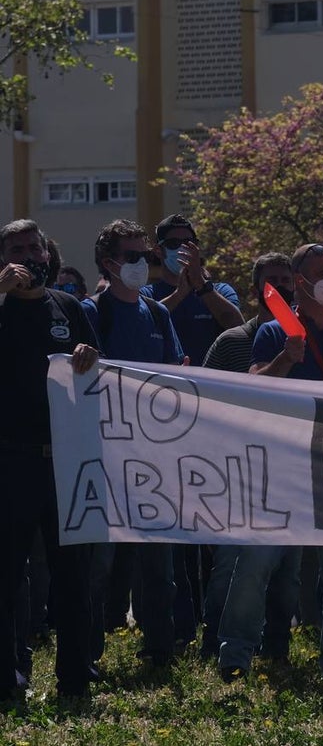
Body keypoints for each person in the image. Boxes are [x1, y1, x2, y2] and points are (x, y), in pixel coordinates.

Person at [216, 243, 323, 686]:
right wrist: (285, 360)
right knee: (254, 567)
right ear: (299, 281)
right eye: (322, 272)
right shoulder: (276, 331)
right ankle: (234, 658)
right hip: (283, 467)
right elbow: (252, 388)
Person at [0, 219, 100, 700]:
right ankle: (9, 676)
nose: (28, 256)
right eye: (17, 249)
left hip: (65, 462)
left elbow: (97, 372)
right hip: (11, 461)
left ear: (47, 251)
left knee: (72, 576)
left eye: (34, 247)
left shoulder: (69, 306)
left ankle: (75, 680)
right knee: (8, 576)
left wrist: (87, 353)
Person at [82, 219, 186, 670]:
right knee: (98, 564)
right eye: (132, 256)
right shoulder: (88, 311)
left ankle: (160, 649)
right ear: (108, 262)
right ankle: (86, 653)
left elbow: (177, 374)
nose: (142, 264)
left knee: (157, 564)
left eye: (147, 256)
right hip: (103, 456)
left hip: (153, 455)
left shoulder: (158, 313)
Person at [198, 252, 295, 661]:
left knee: (284, 572)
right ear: (256, 288)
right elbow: (202, 402)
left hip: (288, 470)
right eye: (272, 281)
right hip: (236, 468)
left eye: (287, 281)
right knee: (228, 566)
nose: (281, 289)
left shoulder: (308, 343)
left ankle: (276, 646)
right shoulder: (232, 341)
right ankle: (214, 642)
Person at [141, 213, 243, 365]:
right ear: (158, 250)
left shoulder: (221, 291)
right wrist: (178, 295)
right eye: (173, 243)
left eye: (189, 242)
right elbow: (139, 326)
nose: (182, 248)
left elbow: (238, 327)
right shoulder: (146, 295)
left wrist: (202, 286)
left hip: (209, 386)